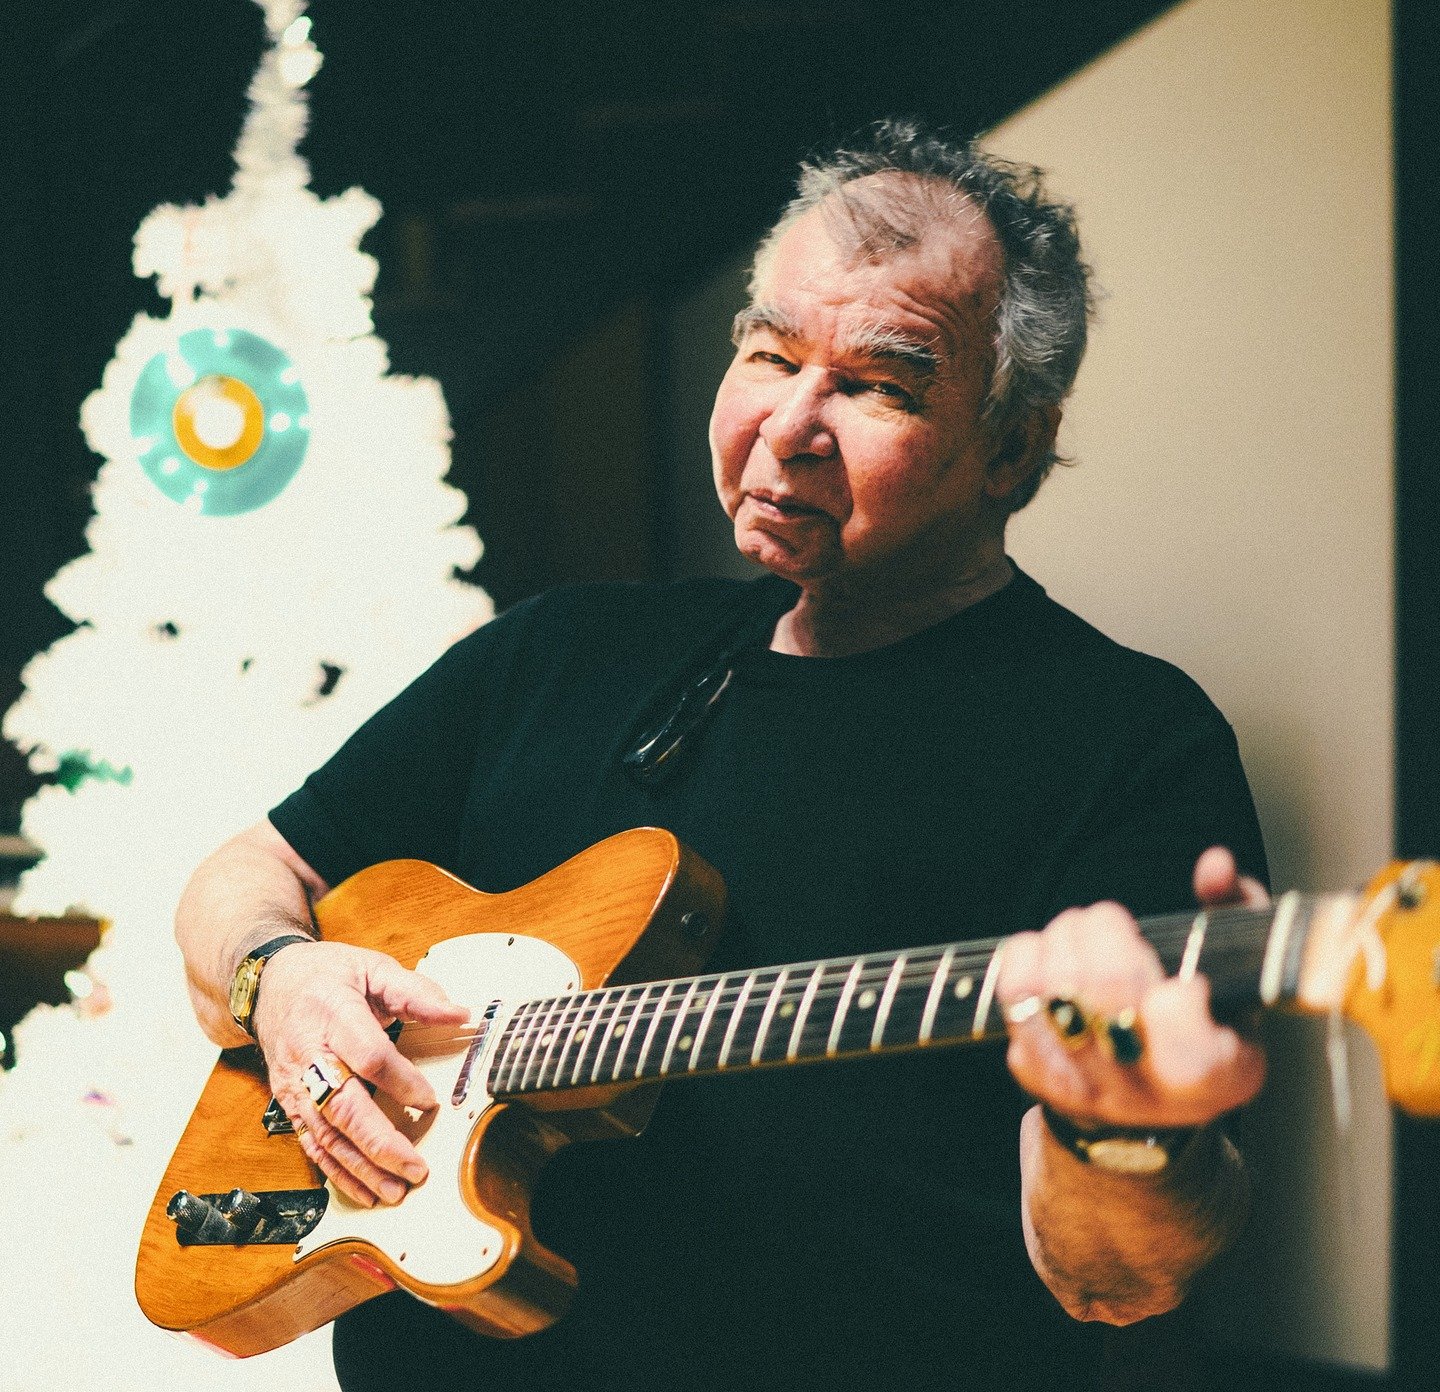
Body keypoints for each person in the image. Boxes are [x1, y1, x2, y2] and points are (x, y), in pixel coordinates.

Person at [175, 120, 1270, 1390]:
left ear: (1012, 447)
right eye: (768, 352)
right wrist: (280, 977)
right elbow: (242, 876)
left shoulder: (1129, 742)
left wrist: (1124, 1141)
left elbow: (1119, 1280)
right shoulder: (560, 651)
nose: (788, 424)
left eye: (878, 386)